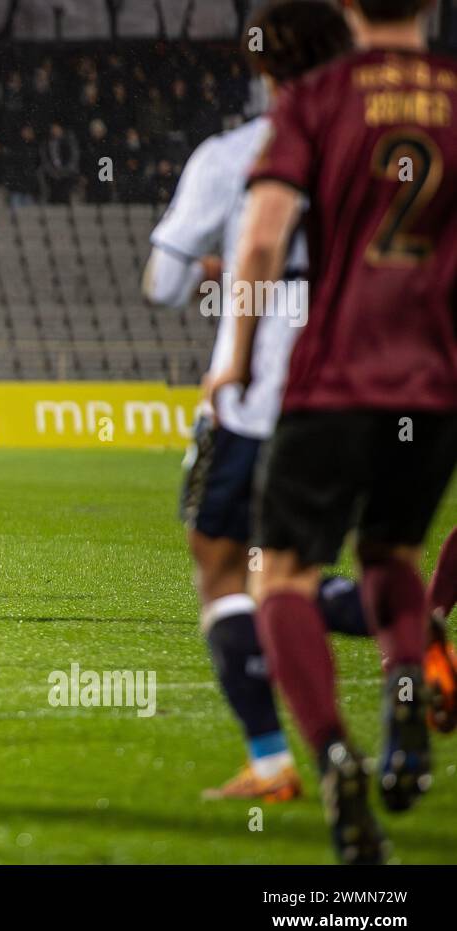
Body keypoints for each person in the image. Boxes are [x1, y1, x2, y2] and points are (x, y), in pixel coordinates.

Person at [214, 0, 457, 862]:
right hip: (433, 384)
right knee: (390, 553)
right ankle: (404, 682)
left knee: (280, 573)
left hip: (332, 379)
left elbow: (261, 242)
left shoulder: (316, 100)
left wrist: (236, 351)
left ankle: (332, 756)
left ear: (349, 6)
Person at [144, 0, 362, 804]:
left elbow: (163, 283)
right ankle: (405, 626)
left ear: (263, 68)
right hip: (383, 385)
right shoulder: (390, 151)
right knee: (305, 568)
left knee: (227, 565)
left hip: (267, 388)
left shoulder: (238, 153)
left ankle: (273, 760)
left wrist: (218, 272)